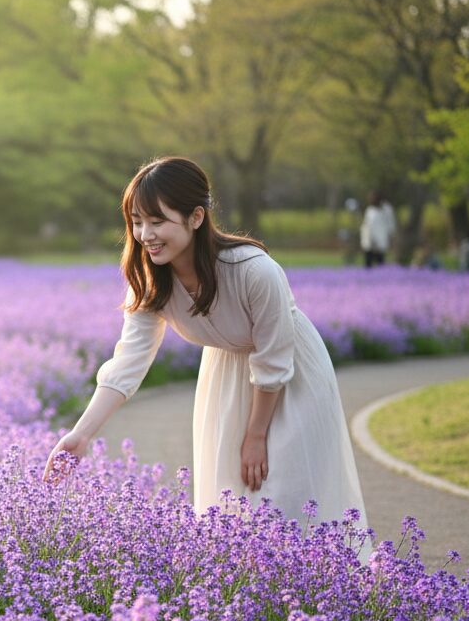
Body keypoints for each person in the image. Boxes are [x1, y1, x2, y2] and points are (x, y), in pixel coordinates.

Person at [43, 155, 367, 528]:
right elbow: (127, 364)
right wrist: (81, 434)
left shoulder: (254, 271)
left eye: (157, 221)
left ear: (195, 218)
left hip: (291, 377)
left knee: (288, 496)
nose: (145, 235)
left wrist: (256, 433)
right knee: (233, 501)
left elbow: (274, 359)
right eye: (136, 222)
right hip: (226, 378)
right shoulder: (153, 282)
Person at [359, 191, 391, 267]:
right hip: (370, 241)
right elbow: (366, 226)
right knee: (368, 263)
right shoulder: (369, 211)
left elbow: (389, 226)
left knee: (380, 262)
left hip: (380, 241)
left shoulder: (386, 210)